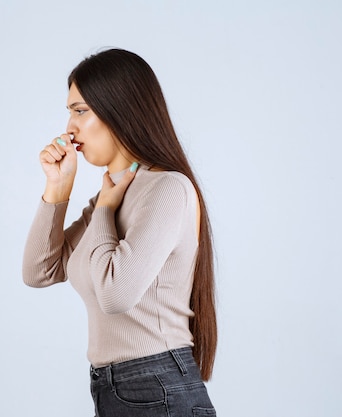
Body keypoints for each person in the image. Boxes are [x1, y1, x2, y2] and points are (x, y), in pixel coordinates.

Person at [22, 48, 217, 417]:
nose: (69, 128)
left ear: (120, 109)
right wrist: (58, 191)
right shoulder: (109, 197)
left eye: (80, 111)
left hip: (156, 387)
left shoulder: (166, 188)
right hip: (117, 389)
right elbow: (39, 272)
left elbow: (116, 294)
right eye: (69, 112)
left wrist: (107, 209)